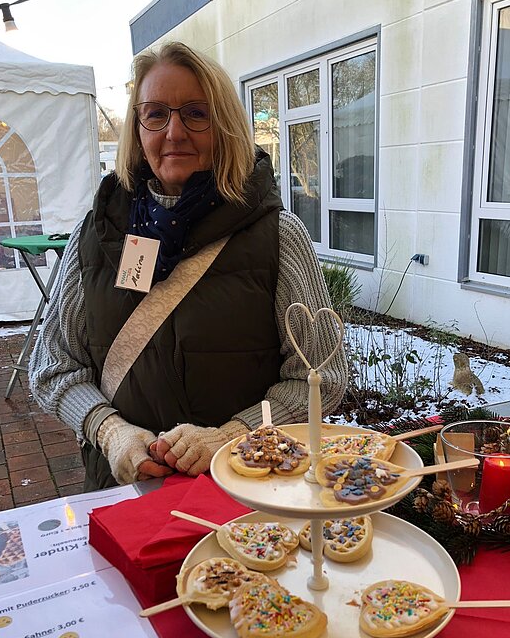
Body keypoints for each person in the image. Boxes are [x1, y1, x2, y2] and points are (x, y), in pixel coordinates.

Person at [29, 41, 347, 491]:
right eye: (155, 114)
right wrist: (109, 432)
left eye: (196, 113)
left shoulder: (278, 236)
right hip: (125, 495)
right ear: (137, 128)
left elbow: (322, 377)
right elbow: (53, 367)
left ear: (225, 125)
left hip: (247, 497)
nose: (174, 132)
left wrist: (231, 437)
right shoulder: (95, 235)